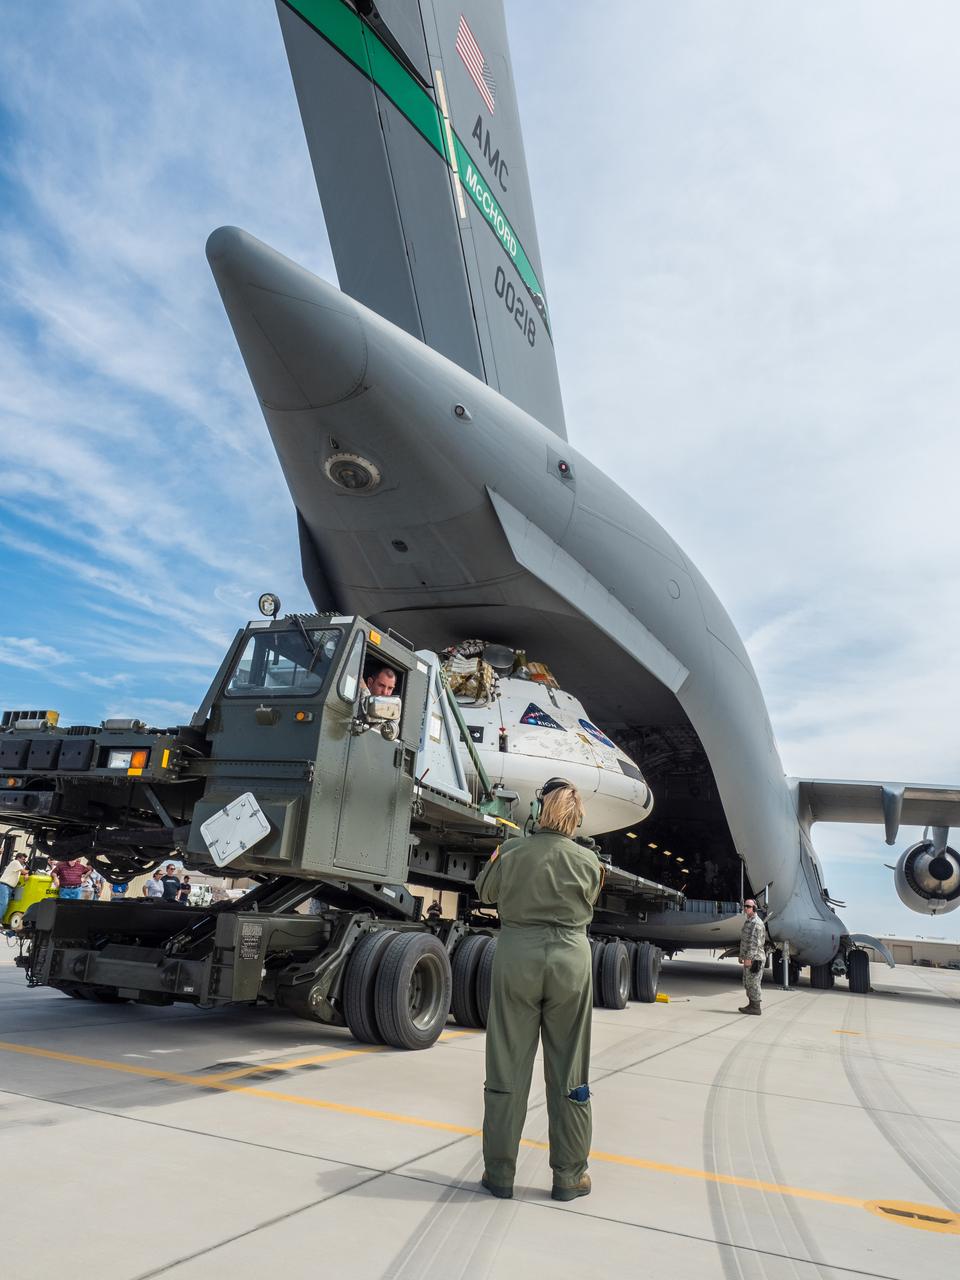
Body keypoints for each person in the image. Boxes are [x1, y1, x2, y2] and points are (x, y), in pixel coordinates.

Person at [475, 777, 601, 1203]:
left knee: (507, 1065)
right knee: (569, 1071)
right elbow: (591, 901)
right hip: (570, 960)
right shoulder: (589, 862)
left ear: (538, 810)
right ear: (576, 816)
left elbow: (483, 890)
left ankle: (499, 1174)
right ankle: (569, 1176)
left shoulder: (511, 852)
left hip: (517, 958)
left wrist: (509, 849)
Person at [738, 898, 766, 1015]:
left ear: (754, 908)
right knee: (747, 982)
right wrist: (742, 956)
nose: (745, 908)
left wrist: (748, 958)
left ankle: (756, 1007)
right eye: (744, 906)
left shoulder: (756, 923)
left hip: (755, 958)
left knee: (753, 983)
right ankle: (751, 1004)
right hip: (749, 957)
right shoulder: (748, 921)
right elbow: (745, 941)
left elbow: (754, 943)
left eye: (748, 906)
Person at [0, 850, 28, 921]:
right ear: (18, 858)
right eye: (23, 859)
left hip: (9, 888)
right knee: (3, 904)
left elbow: (23, 872)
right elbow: (24, 871)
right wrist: (28, 873)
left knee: (5, 905)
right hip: (5, 886)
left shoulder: (18, 866)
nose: (24, 861)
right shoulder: (15, 862)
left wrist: (26, 873)